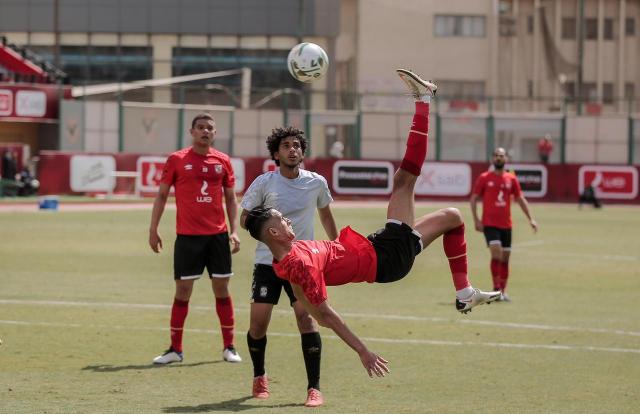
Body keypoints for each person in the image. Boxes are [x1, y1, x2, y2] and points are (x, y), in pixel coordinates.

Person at [244, 69, 501, 378]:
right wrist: (362, 351)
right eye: (281, 219)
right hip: (384, 258)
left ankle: (465, 293)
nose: (288, 220)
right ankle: (423, 101)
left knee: (452, 218)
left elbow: (313, 297)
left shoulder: (285, 257)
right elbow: (326, 315)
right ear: (274, 232)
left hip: (381, 253)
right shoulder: (298, 265)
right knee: (404, 181)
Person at [240, 126, 338, 407]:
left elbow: (326, 214)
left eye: (297, 145)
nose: (292, 149)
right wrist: (268, 223)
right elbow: (244, 218)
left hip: (303, 263)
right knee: (258, 325)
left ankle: (314, 388)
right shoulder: (264, 182)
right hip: (267, 263)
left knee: (307, 319)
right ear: (276, 152)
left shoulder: (316, 182)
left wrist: (337, 244)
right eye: (286, 145)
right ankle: (259, 376)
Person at [149, 113, 242, 365]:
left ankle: (229, 347)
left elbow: (231, 199)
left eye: (209, 128)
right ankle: (175, 350)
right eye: (200, 127)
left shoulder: (223, 161)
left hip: (217, 236)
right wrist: (153, 228)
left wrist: (234, 230)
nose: (205, 131)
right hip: (188, 238)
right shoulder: (177, 159)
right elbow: (161, 196)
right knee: (183, 291)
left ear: (215, 133)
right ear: (192, 132)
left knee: (222, 289)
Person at [470, 148, 538, 302]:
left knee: (505, 258)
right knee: (496, 254)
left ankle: (503, 292)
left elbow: (520, 199)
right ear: (492, 159)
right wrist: (476, 220)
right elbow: (474, 198)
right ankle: (495, 290)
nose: (499, 158)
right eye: (496, 156)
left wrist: (531, 219)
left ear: (506, 159)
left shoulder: (511, 179)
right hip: (490, 224)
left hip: (506, 225)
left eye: (501, 156)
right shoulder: (484, 177)